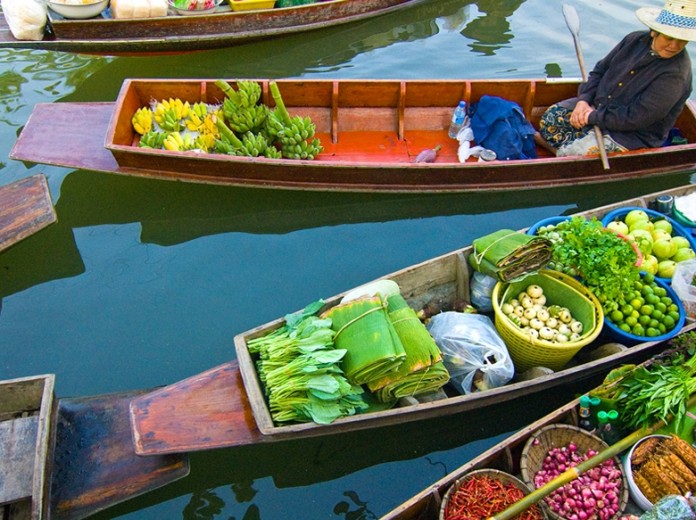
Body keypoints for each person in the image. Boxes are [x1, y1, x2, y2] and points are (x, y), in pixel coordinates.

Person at [537, 0, 695, 157]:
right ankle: (569, 146)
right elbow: (599, 71)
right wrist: (583, 100)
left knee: (578, 155)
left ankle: (563, 151)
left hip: (633, 133)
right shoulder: (634, 40)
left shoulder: (676, 75)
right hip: (598, 107)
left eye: (681, 40)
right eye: (669, 38)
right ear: (654, 32)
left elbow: (637, 118)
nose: (674, 46)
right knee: (551, 119)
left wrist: (591, 117)